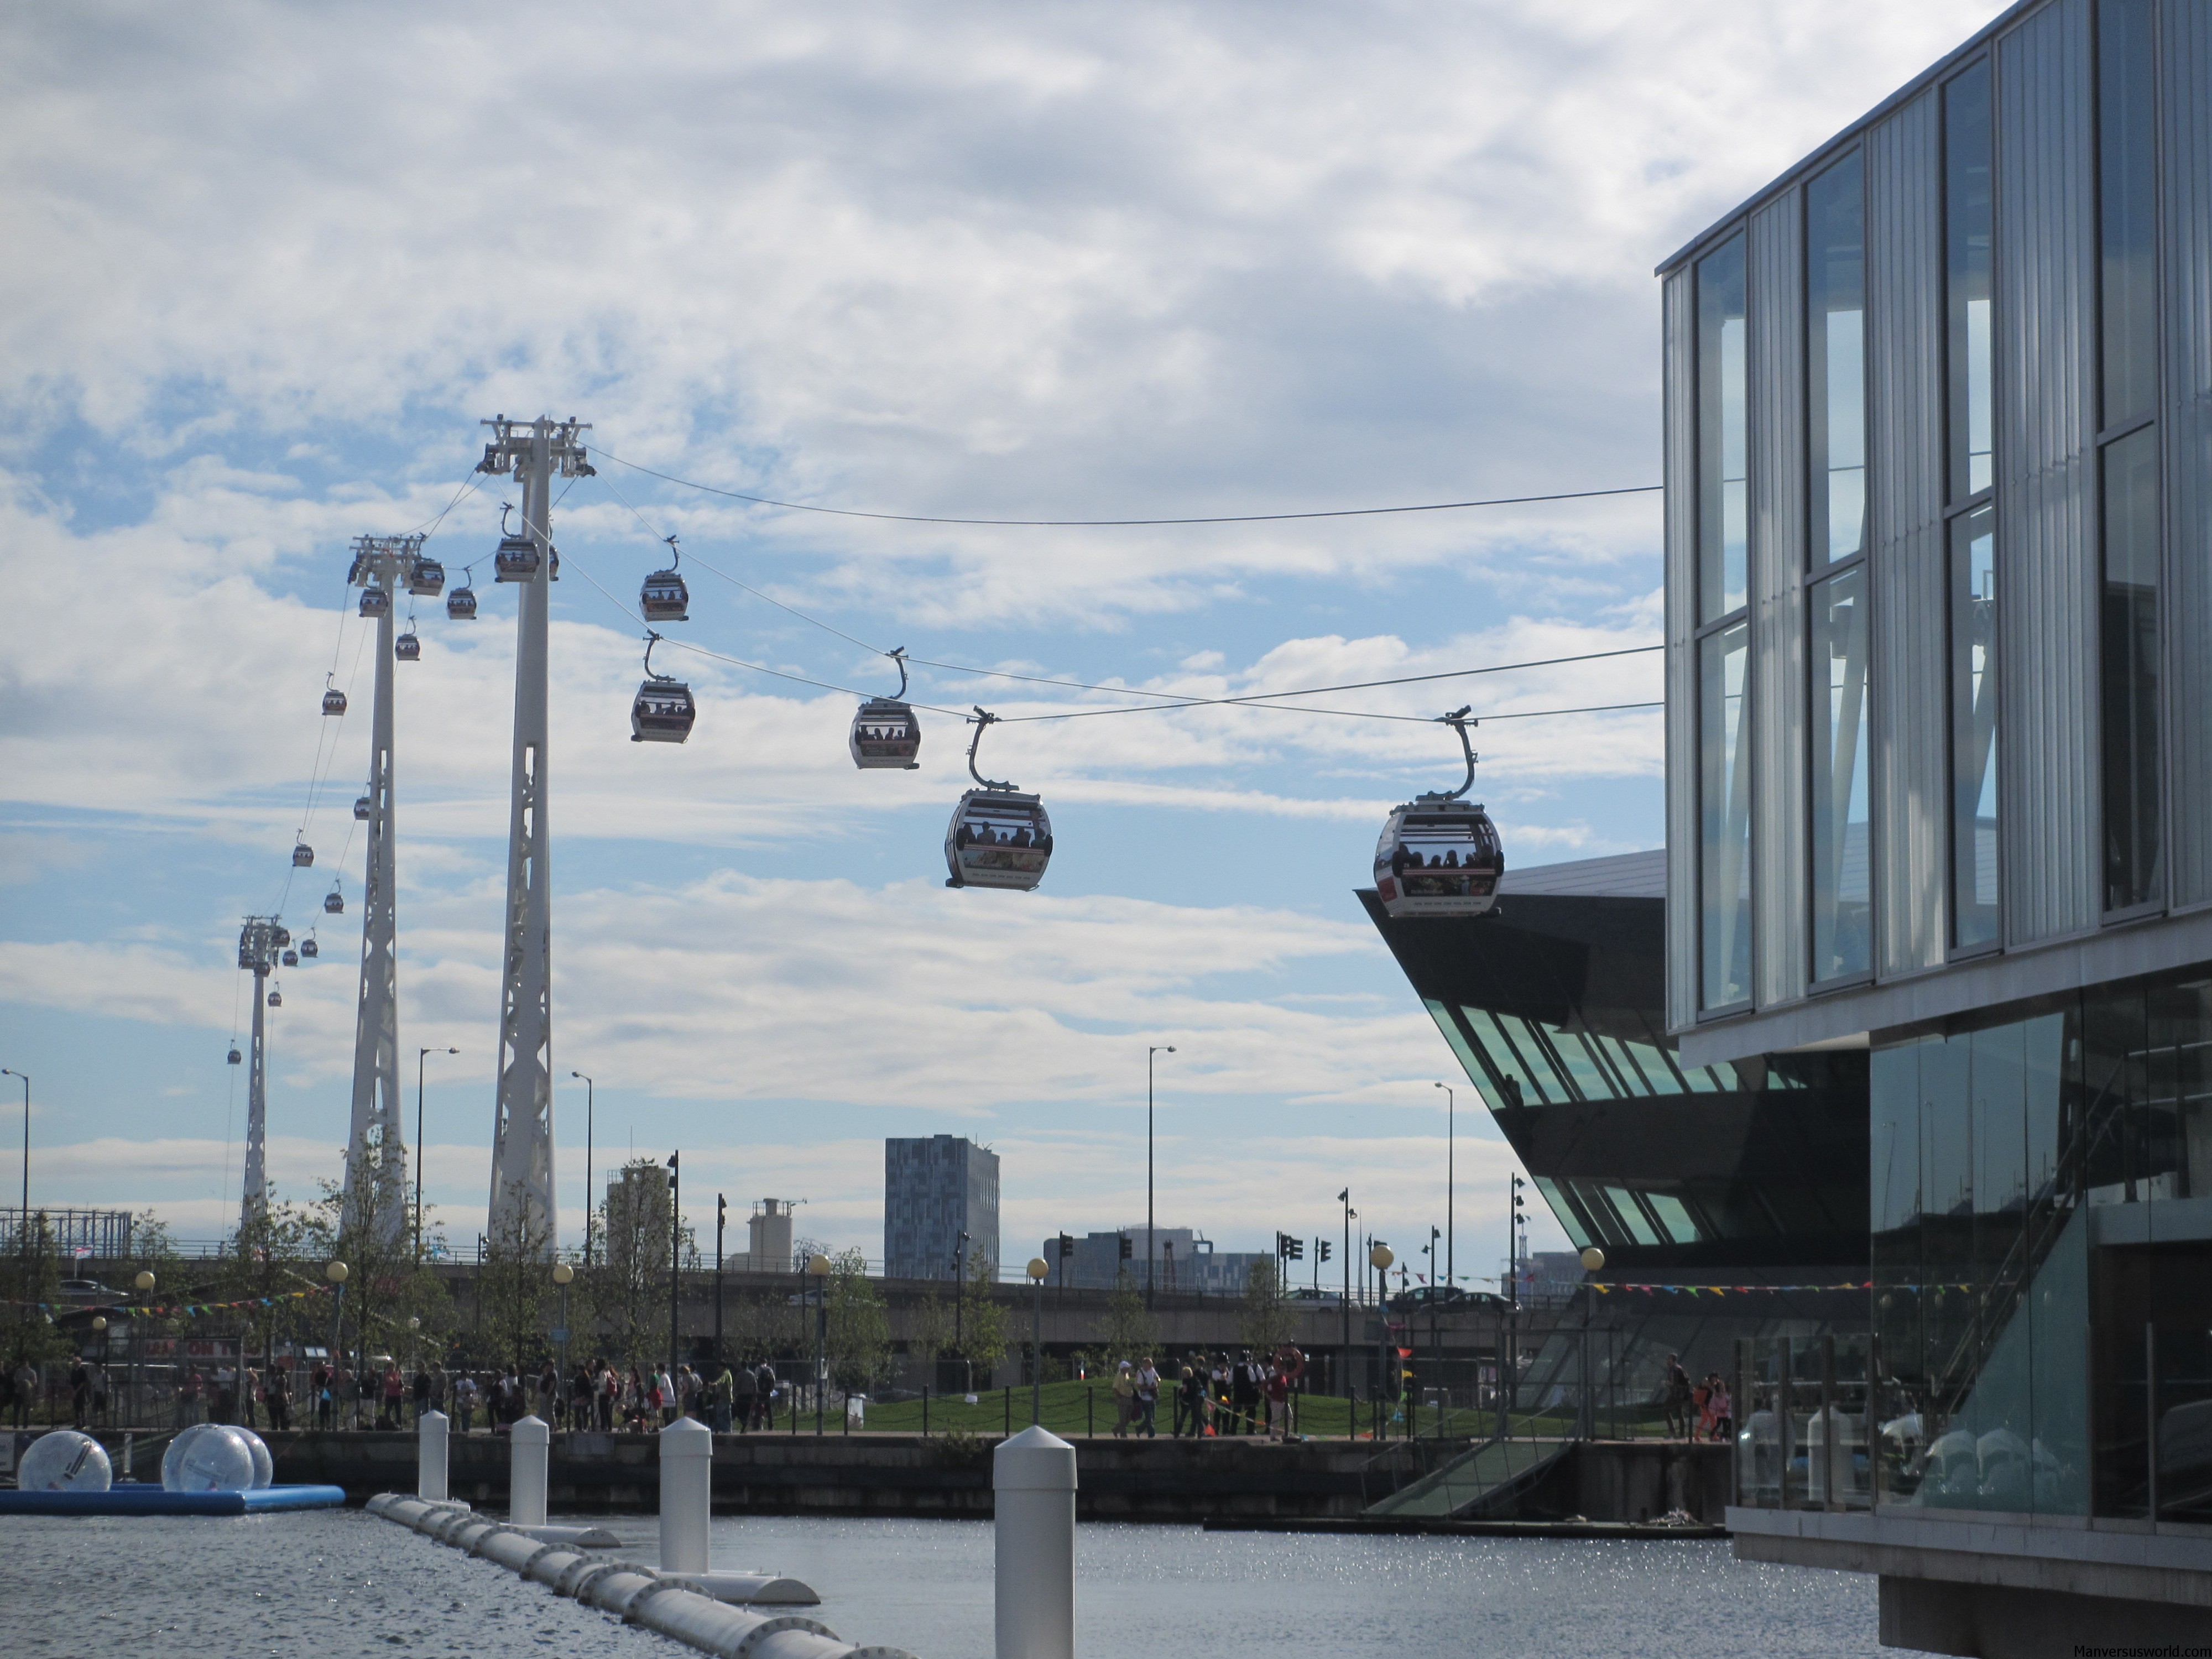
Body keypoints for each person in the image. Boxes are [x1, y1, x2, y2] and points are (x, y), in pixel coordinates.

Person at [1662, 1354, 1693, 1441]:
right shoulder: (1676, 1369)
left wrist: (1669, 1383)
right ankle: (1681, 1434)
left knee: (1666, 1409)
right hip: (1677, 1394)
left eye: (1669, 1359)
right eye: (1668, 1359)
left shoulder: (1676, 1369)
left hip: (1677, 1394)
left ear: (1673, 1360)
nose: (1668, 1361)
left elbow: (1678, 1383)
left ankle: (1673, 1431)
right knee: (1679, 1412)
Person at [1231, 1350, 1261, 1435]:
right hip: (1248, 1393)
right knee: (1250, 1412)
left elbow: (1229, 1380)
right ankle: (1250, 1430)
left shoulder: (1234, 1368)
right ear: (1246, 1359)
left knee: (1236, 1412)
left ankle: (1233, 1430)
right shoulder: (1249, 1368)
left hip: (1237, 1393)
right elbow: (1253, 1379)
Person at [1134, 1357, 1160, 1438]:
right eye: (1150, 1364)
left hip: (1152, 1397)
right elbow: (1139, 1386)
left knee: (1153, 1417)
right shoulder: (1140, 1373)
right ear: (1145, 1364)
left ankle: (1140, 1429)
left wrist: (1157, 1383)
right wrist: (1150, 1388)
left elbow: (1158, 1378)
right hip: (1144, 1398)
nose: (1151, 1366)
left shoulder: (1152, 1370)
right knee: (1149, 1418)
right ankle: (1151, 1434)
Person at [732, 1358, 757, 1433]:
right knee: (746, 1412)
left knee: (738, 1411)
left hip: (741, 1396)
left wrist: (733, 1394)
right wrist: (755, 1396)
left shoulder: (740, 1375)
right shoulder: (752, 1374)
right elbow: (755, 1386)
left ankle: (744, 1423)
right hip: (749, 1396)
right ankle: (744, 1428)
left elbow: (737, 1385)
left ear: (741, 1366)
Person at [1110, 1361, 1135, 1437]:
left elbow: (1127, 1384)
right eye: (1127, 1367)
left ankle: (1116, 1429)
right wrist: (1120, 1397)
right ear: (1123, 1368)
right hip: (1123, 1398)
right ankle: (1123, 1435)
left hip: (1129, 1397)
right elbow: (1115, 1388)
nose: (1129, 1369)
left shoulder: (1127, 1375)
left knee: (1130, 1416)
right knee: (1123, 1418)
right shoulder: (1119, 1376)